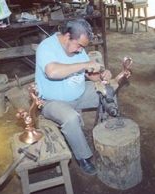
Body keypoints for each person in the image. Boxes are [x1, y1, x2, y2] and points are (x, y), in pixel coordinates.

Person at [35, 19, 130, 175]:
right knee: (71, 118)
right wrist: (84, 65)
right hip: (52, 101)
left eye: (83, 47)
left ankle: (108, 129)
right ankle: (83, 157)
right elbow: (52, 72)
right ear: (67, 36)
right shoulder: (46, 47)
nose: (80, 50)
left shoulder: (78, 48)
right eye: (79, 45)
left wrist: (101, 75)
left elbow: (91, 75)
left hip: (79, 93)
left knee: (108, 91)